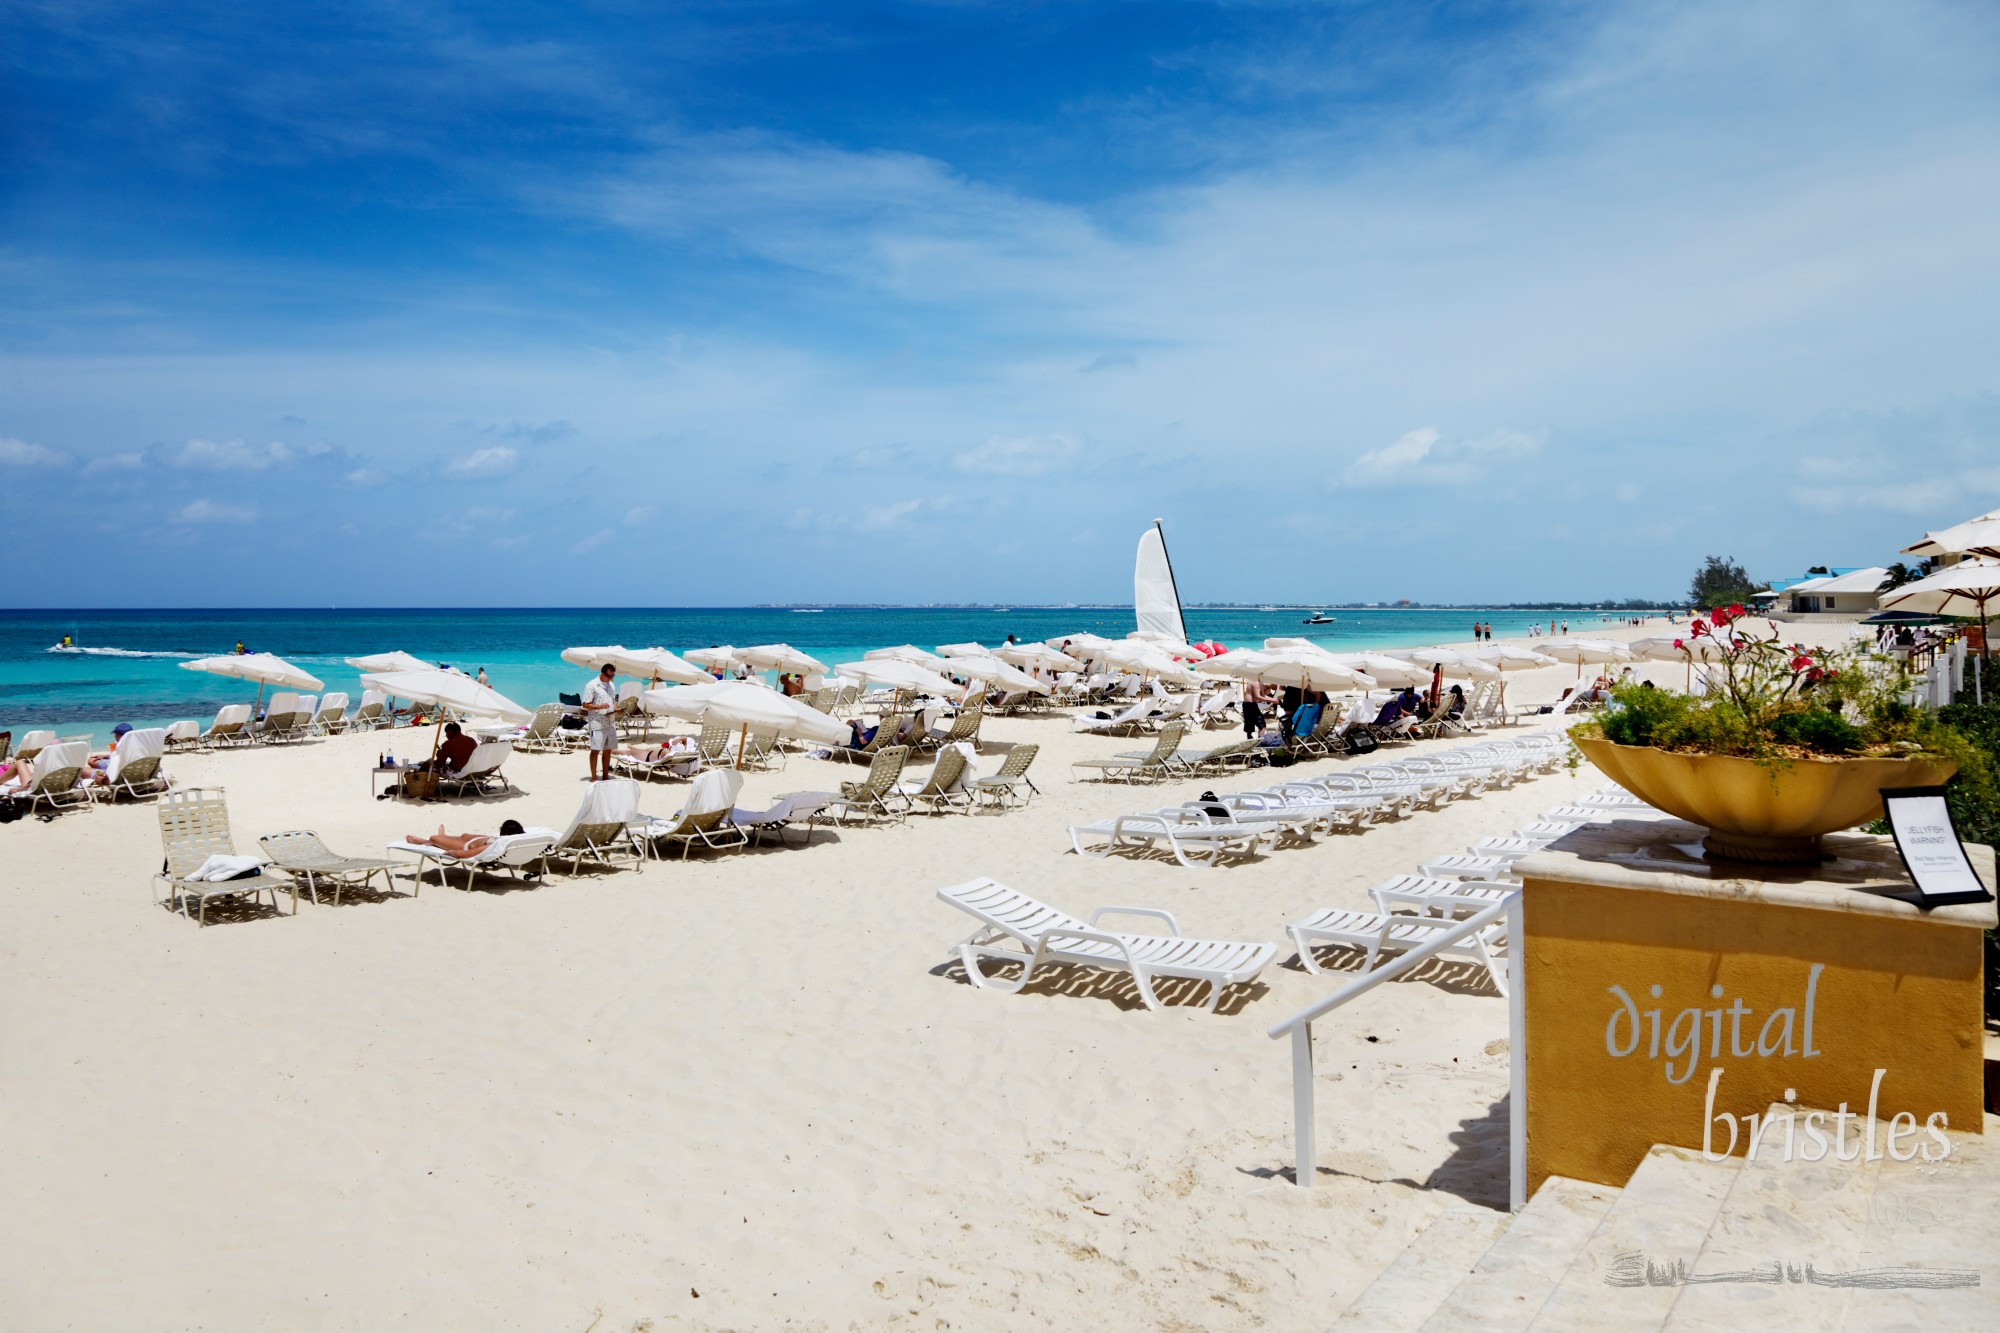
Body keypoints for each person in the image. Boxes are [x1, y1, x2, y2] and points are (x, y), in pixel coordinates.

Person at [405, 819, 527, 858]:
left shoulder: (496, 844)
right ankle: (443, 837)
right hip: (476, 840)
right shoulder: (517, 840)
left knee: (434, 838)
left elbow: (471, 853)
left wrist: (454, 853)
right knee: (460, 836)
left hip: (467, 845)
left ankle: (423, 841)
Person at [581, 662, 619, 780]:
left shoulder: (611, 685)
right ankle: (594, 777)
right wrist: (599, 706)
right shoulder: (592, 685)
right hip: (597, 722)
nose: (611, 678)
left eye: (613, 676)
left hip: (610, 721)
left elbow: (613, 700)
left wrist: (617, 707)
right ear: (602, 673)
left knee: (608, 750)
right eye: (609, 676)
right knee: (596, 750)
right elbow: (585, 704)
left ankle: (605, 775)